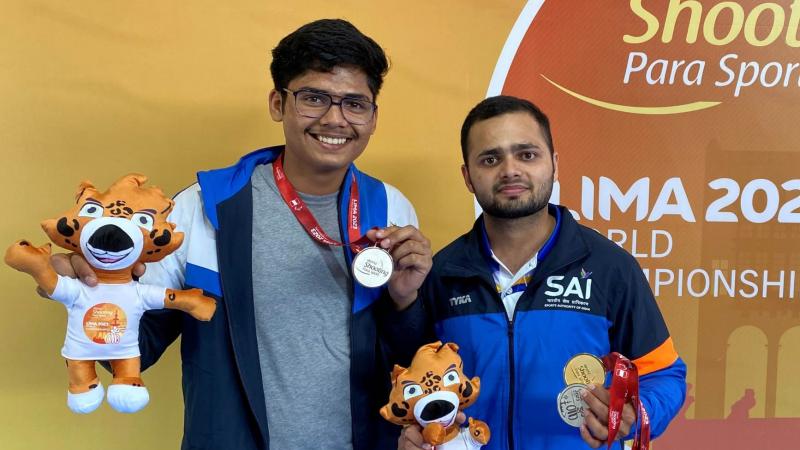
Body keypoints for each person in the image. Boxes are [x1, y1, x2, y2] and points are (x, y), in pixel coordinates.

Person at [51, 19, 431, 450]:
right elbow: (135, 344)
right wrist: (93, 292)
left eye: (354, 104)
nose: (335, 118)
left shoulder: (391, 208)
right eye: (314, 98)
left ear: (373, 116)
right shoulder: (205, 207)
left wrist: (406, 301)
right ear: (277, 103)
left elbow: (410, 360)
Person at [397, 96, 687, 450]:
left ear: (554, 163)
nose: (510, 170)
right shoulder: (440, 273)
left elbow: (664, 373)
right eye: (490, 159)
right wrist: (414, 434)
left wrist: (638, 412)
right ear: (468, 177)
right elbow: (410, 386)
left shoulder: (609, 267)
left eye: (527, 154)